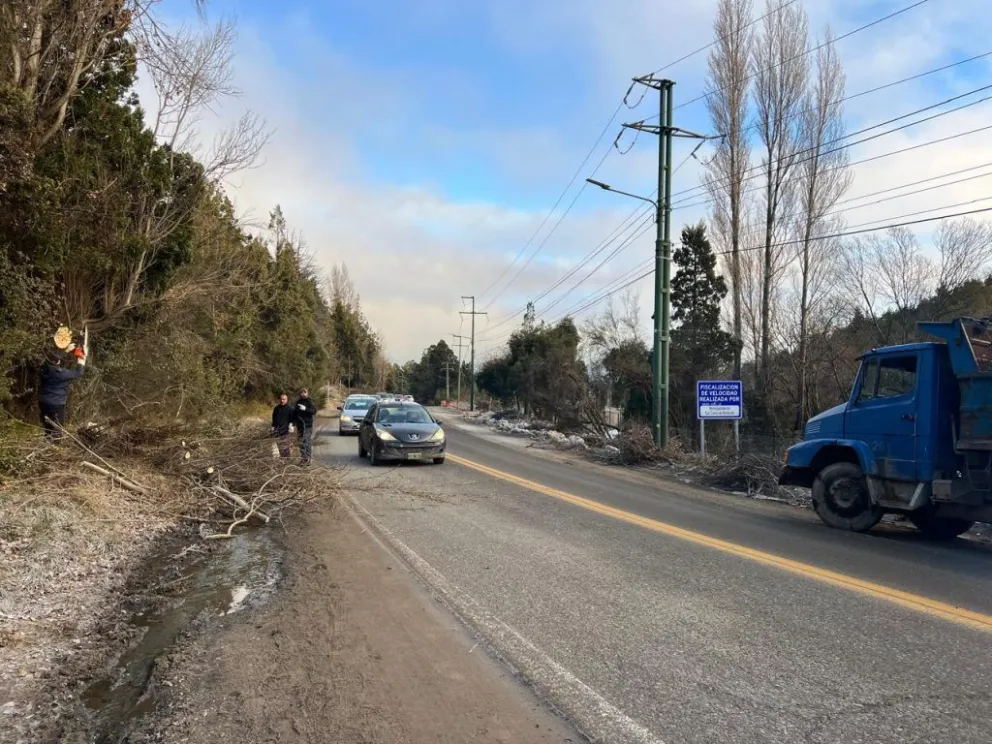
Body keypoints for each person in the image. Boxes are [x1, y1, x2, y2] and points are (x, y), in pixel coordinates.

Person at [39, 349, 86, 441]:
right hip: (56, 404)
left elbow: (53, 359)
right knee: (58, 427)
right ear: (58, 361)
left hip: (43, 402)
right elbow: (78, 372)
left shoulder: (43, 368)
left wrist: (67, 350)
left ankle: (48, 442)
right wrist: (81, 361)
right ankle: (55, 446)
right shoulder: (60, 374)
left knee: (47, 425)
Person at [293, 388, 318, 464]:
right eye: (301, 393)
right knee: (301, 443)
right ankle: (303, 459)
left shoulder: (310, 402)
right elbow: (295, 414)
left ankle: (308, 459)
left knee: (307, 442)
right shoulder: (298, 402)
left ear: (307, 393)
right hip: (300, 426)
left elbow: (314, 411)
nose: (303, 394)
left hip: (307, 425)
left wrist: (306, 409)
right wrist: (293, 423)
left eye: (304, 392)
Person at [271, 393, 293, 458]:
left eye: (284, 399)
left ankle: (287, 462)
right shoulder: (276, 408)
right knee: (279, 448)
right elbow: (274, 418)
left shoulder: (290, 409)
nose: (282, 401)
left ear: (287, 400)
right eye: (281, 399)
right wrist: (273, 426)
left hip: (285, 432)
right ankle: (282, 462)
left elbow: (293, 418)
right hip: (277, 431)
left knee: (286, 449)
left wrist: (291, 424)